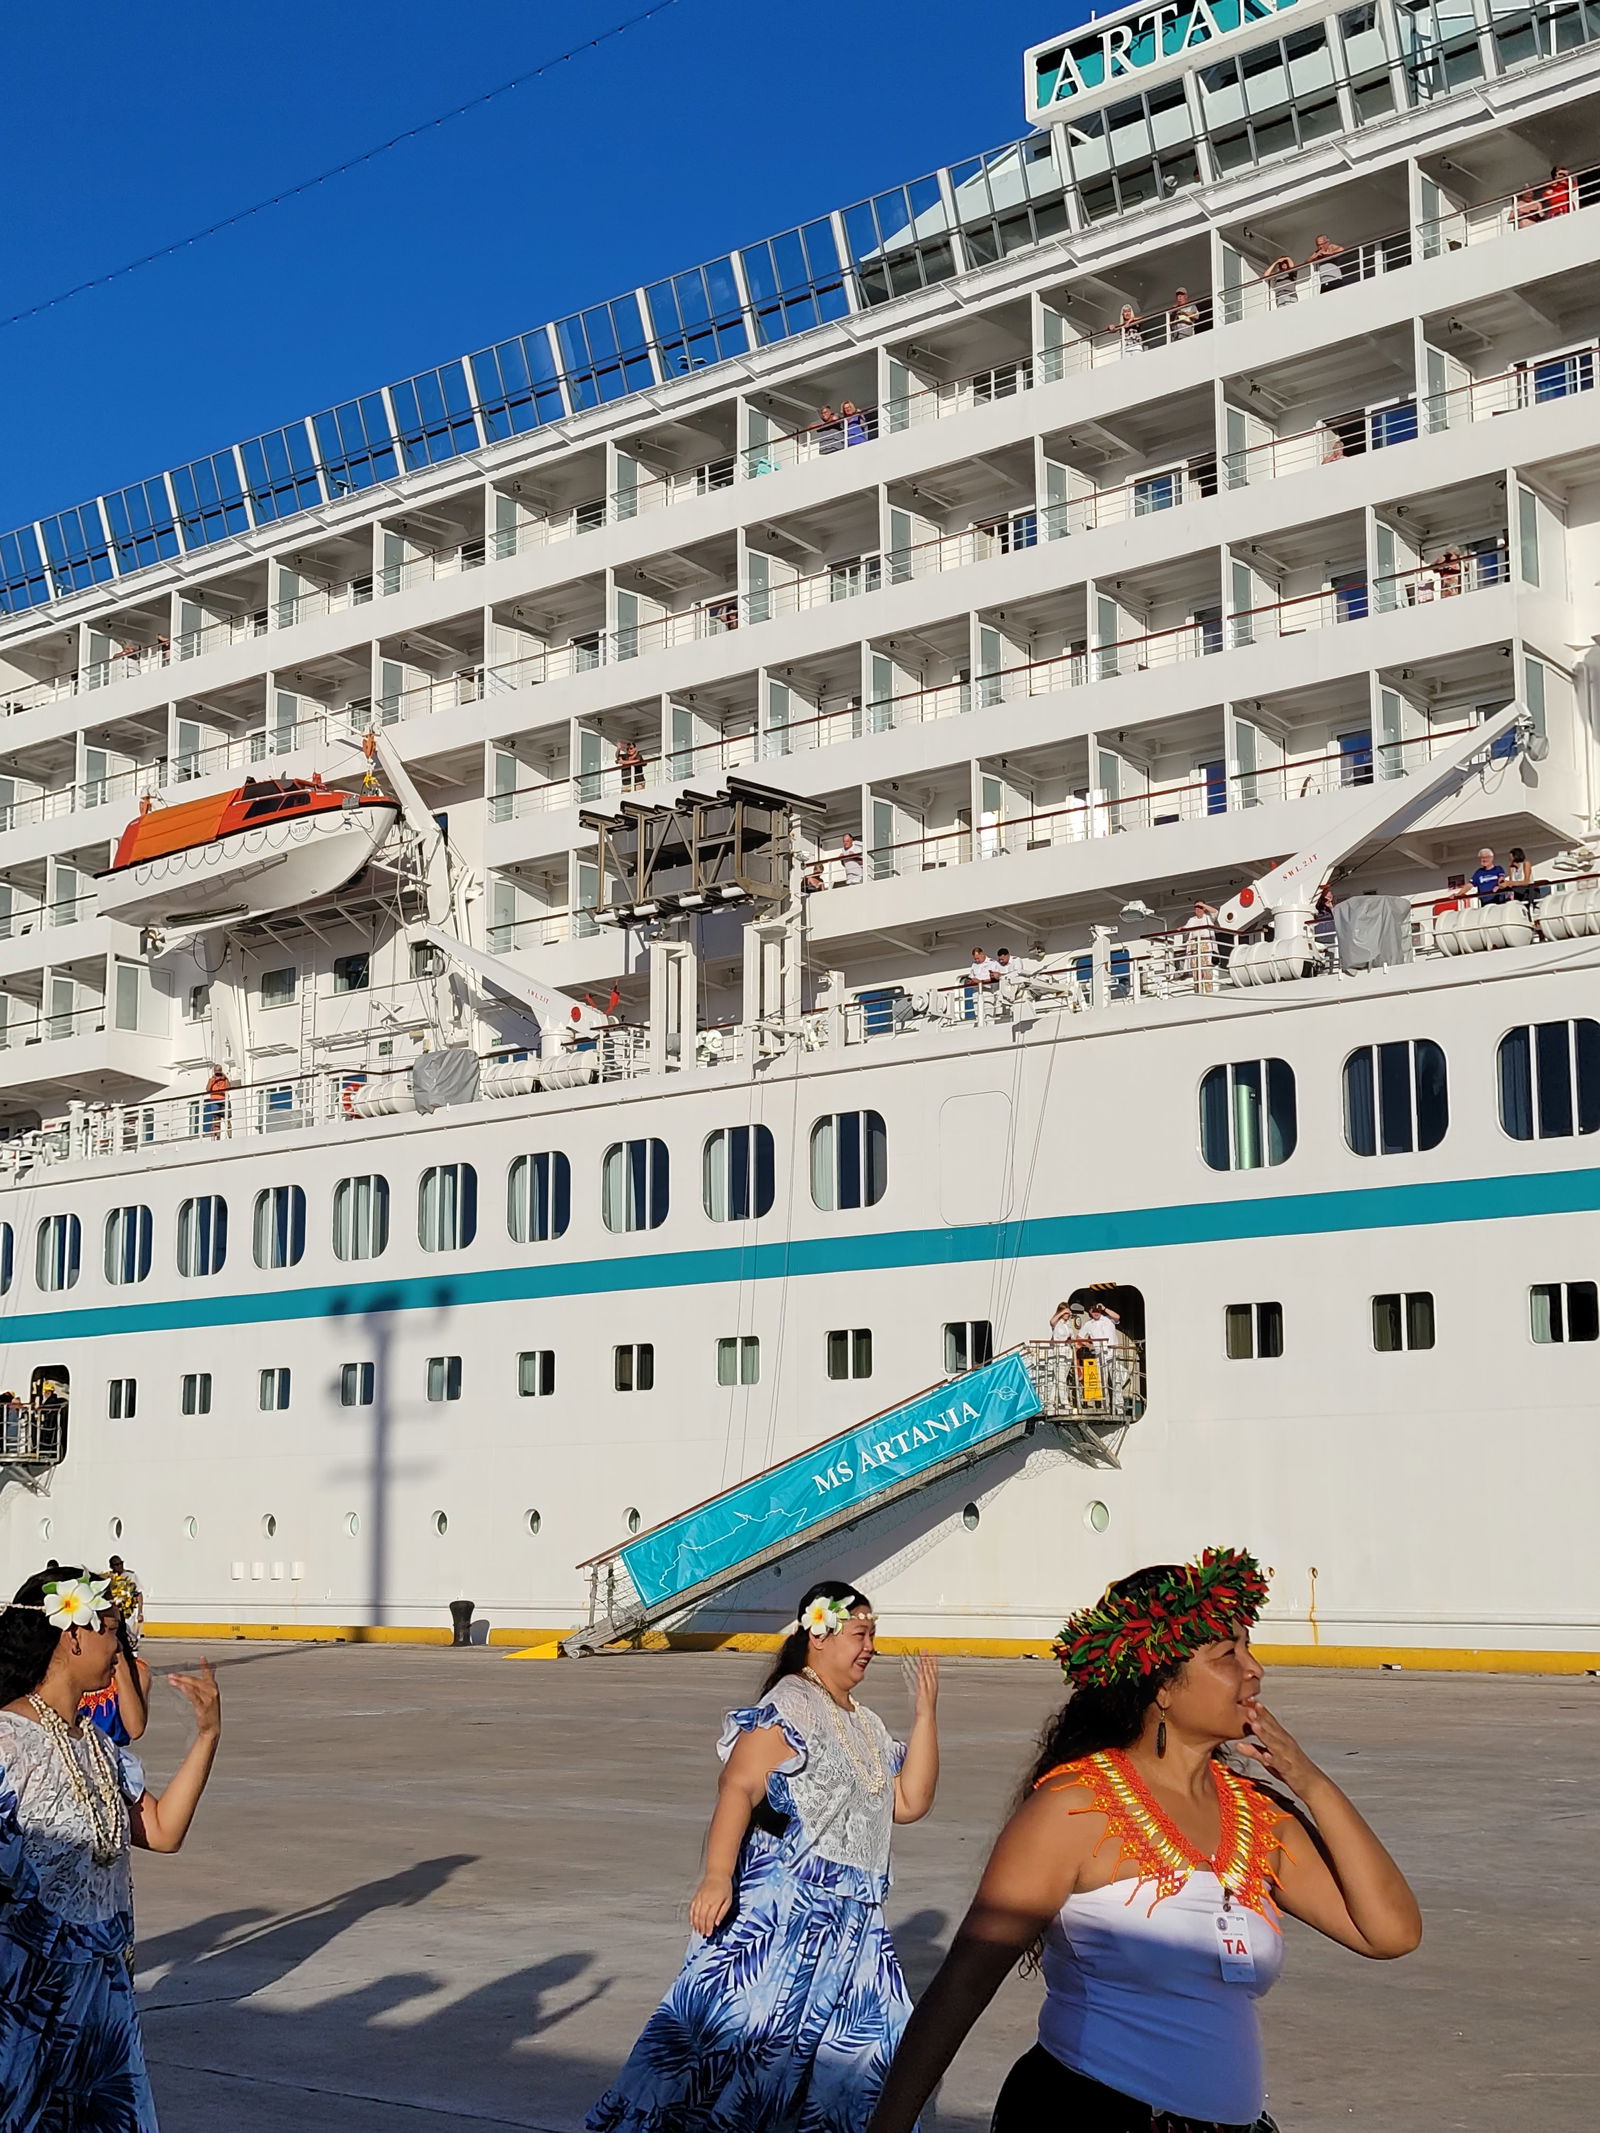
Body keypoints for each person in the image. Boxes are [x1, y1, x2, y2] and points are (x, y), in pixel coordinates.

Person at [866, 1548, 1421, 2133]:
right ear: (1162, 1686)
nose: (1254, 1669)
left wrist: (1312, 1783)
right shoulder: (1074, 1807)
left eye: (1248, 1649)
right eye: (1227, 1654)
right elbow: (965, 1982)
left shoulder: (1259, 1815)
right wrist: (890, 2125)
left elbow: (1390, 1933)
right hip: (1087, 2116)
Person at [588, 1581, 940, 2133]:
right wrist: (716, 1876)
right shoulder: (791, 1705)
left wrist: (925, 1717)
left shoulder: (866, 1723)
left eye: (873, 1634)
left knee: (867, 2062)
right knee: (743, 2061)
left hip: (858, 1929)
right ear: (818, 1636)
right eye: (859, 1634)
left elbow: (909, 1802)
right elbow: (739, 1786)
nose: (870, 1646)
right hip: (785, 1918)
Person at [0, 1567, 222, 2130]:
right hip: (25, 1995)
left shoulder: (99, 1748)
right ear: (72, 1634)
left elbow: (163, 1833)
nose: (118, 1648)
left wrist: (208, 1736)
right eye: (111, 1631)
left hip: (102, 1992)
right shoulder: (5, 1742)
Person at [203, 1062, 230, 1137]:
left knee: (227, 1118)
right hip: (215, 1100)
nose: (218, 1074)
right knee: (217, 1119)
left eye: (219, 1072)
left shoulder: (224, 1079)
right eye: (216, 1072)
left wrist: (225, 1078)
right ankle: (218, 1137)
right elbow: (208, 1089)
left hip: (224, 1099)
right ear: (214, 1071)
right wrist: (213, 1080)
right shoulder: (211, 1079)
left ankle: (230, 1136)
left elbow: (228, 1088)